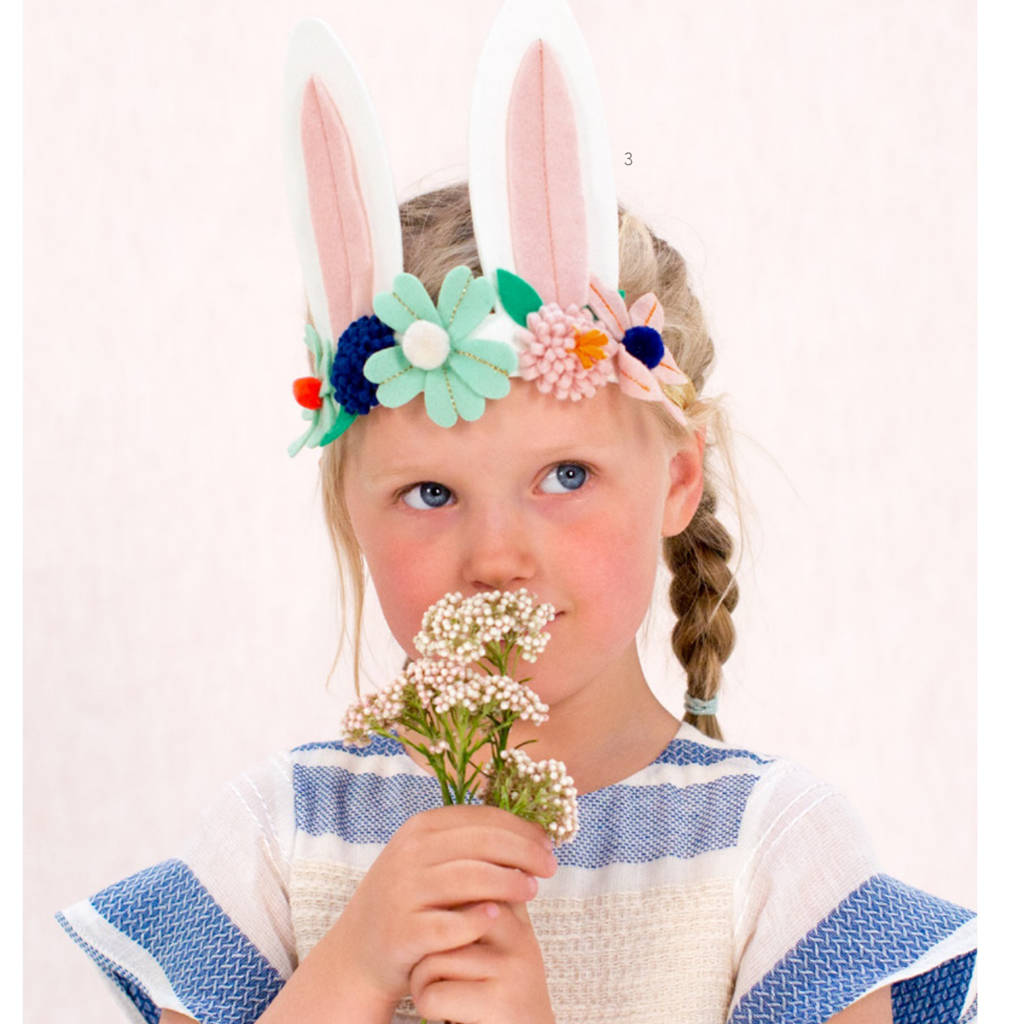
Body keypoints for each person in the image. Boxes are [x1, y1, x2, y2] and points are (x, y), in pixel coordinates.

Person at [55, 4, 977, 1023]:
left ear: (675, 480)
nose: (495, 554)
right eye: (430, 493)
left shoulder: (772, 855)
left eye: (566, 476)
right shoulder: (279, 838)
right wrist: (354, 968)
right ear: (352, 513)